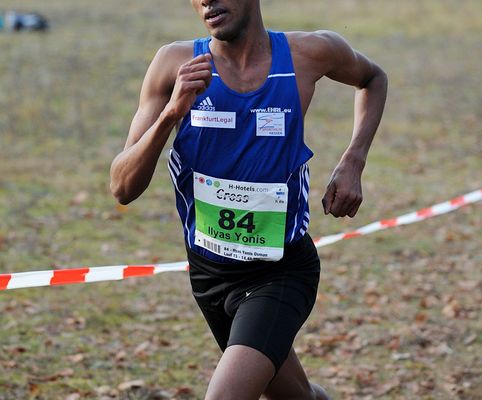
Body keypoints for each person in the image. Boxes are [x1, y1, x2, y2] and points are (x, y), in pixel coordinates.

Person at [110, 0, 387, 398]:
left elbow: (373, 78)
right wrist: (170, 115)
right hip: (209, 276)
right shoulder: (174, 64)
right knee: (298, 397)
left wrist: (353, 160)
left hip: (280, 271)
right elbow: (122, 187)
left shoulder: (307, 54)